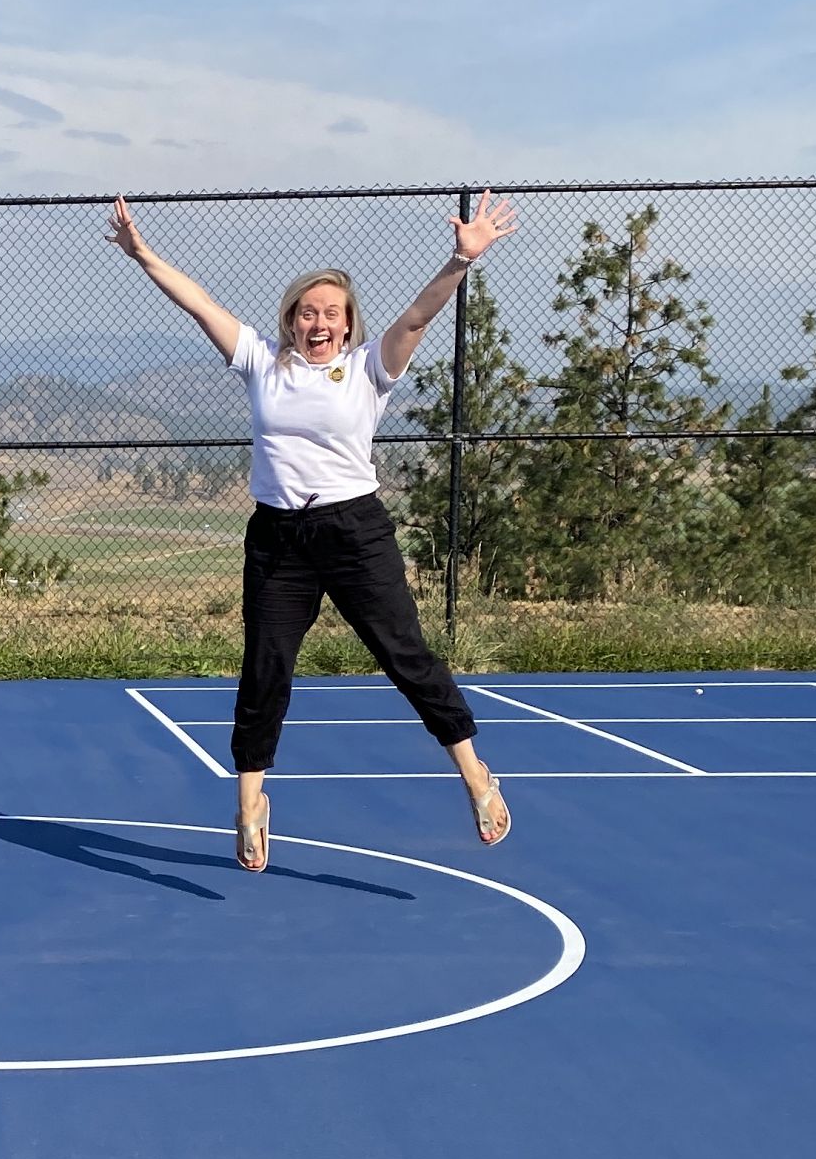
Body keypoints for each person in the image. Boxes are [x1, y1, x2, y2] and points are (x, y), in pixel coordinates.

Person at [106, 192, 516, 871]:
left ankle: (475, 773)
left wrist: (459, 261)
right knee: (266, 667)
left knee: (406, 655)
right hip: (278, 540)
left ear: (349, 324)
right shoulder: (262, 362)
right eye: (307, 311)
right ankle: (250, 807)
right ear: (290, 321)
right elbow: (198, 302)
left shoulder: (368, 369)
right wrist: (141, 251)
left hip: (355, 533)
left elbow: (418, 316)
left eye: (331, 312)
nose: (318, 321)